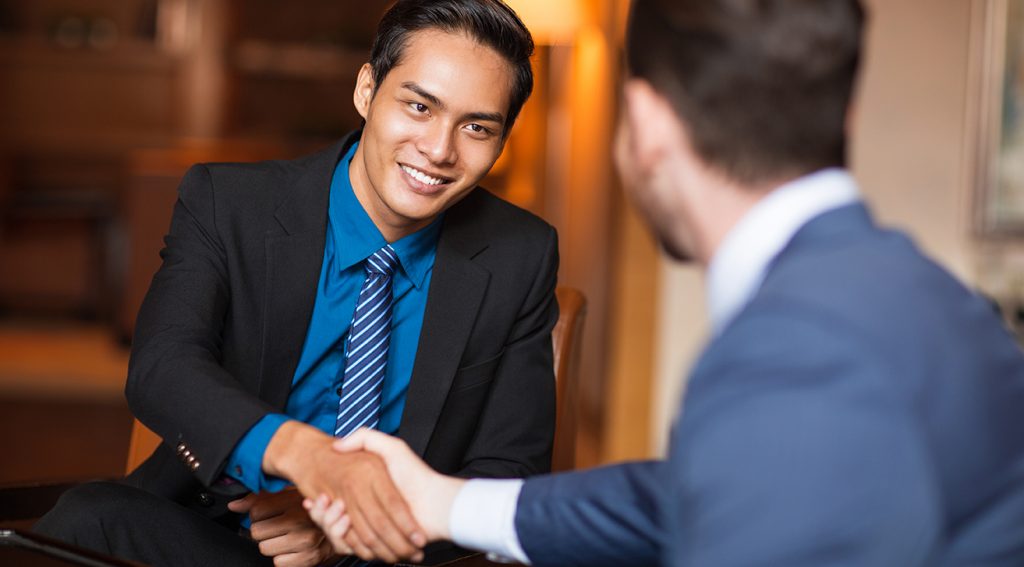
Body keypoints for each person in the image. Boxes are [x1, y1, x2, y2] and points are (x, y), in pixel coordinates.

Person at [308, 0, 1024, 565]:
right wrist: (444, 504)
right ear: (844, 117)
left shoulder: (797, 349)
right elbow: (688, 495)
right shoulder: (932, 296)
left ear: (645, 124)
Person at [35, 1, 559, 565]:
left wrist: (349, 528)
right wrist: (307, 458)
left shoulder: (519, 254)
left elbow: (509, 474)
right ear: (366, 90)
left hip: (389, 553)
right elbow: (163, 366)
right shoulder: (231, 204)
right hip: (218, 530)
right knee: (88, 520)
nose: (438, 150)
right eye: (418, 106)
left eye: (477, 127)